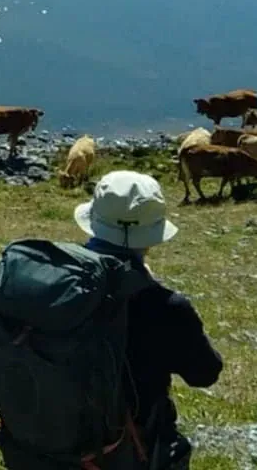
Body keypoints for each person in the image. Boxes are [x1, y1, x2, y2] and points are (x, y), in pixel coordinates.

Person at [70, 170, 222, 469]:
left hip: (42, 441)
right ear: (151, 237)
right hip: (122, 449)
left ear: (94, 223)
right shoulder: (165, 306)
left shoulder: (50, 283)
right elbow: (205, 373)